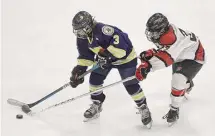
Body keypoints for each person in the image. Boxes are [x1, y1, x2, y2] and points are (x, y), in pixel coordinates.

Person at [69, 11, 152, 127]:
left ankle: (143, 106)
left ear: (88, 26)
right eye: (77, 30)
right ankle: (97, 103)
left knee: (130, 84)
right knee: (94, 81)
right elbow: (85, 56)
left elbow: (122, 48)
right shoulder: (82, 38)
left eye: (81, 29)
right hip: (104, 60)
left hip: (126, 59)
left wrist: (108, 55)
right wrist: (79, 70)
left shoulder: (104, 30)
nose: (79, 33)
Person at [135, 13, 205, 125]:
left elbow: (166, 59)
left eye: (154, 31)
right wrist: (152, 54)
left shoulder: (170, 38)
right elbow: (166, 51)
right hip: (182, 55)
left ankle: (174, 109)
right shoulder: (166, 34)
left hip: (194, 58)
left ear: (162, 30)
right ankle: (187, 83)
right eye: (150, 30)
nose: (151, 34)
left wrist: (147, 67)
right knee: (181, 81)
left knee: (177, 80)